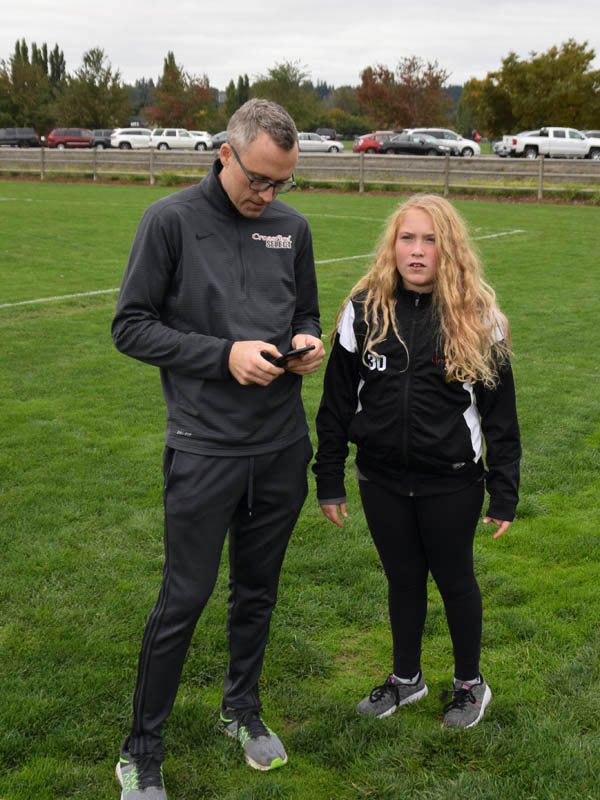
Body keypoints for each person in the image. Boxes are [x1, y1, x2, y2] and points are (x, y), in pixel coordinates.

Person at [111, 99, 324, 799]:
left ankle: (241, 710)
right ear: (225, 154)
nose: (268, 195)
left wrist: (306, 344)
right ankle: (141, 750)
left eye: (282, 183)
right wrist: (221, 355)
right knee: (185, 597)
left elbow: (304, 311)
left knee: (257, 593)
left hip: (281, 445)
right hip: (205, 448)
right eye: (258, 179)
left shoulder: (291, 228)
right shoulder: (170, 221)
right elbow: (132, 327)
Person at [313, 194, 520, 729]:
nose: (418, 250)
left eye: (430, 239)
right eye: (408, 238)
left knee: (454, 579)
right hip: (380, 478)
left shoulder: (478, 318)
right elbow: (335, 403)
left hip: (451, 482)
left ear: (448, 248)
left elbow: (500, 418)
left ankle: (470, 685)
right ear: (393, 245)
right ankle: (407, 679)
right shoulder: (362, 310)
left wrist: (505, 492)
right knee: (402, 579)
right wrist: (330, 479)